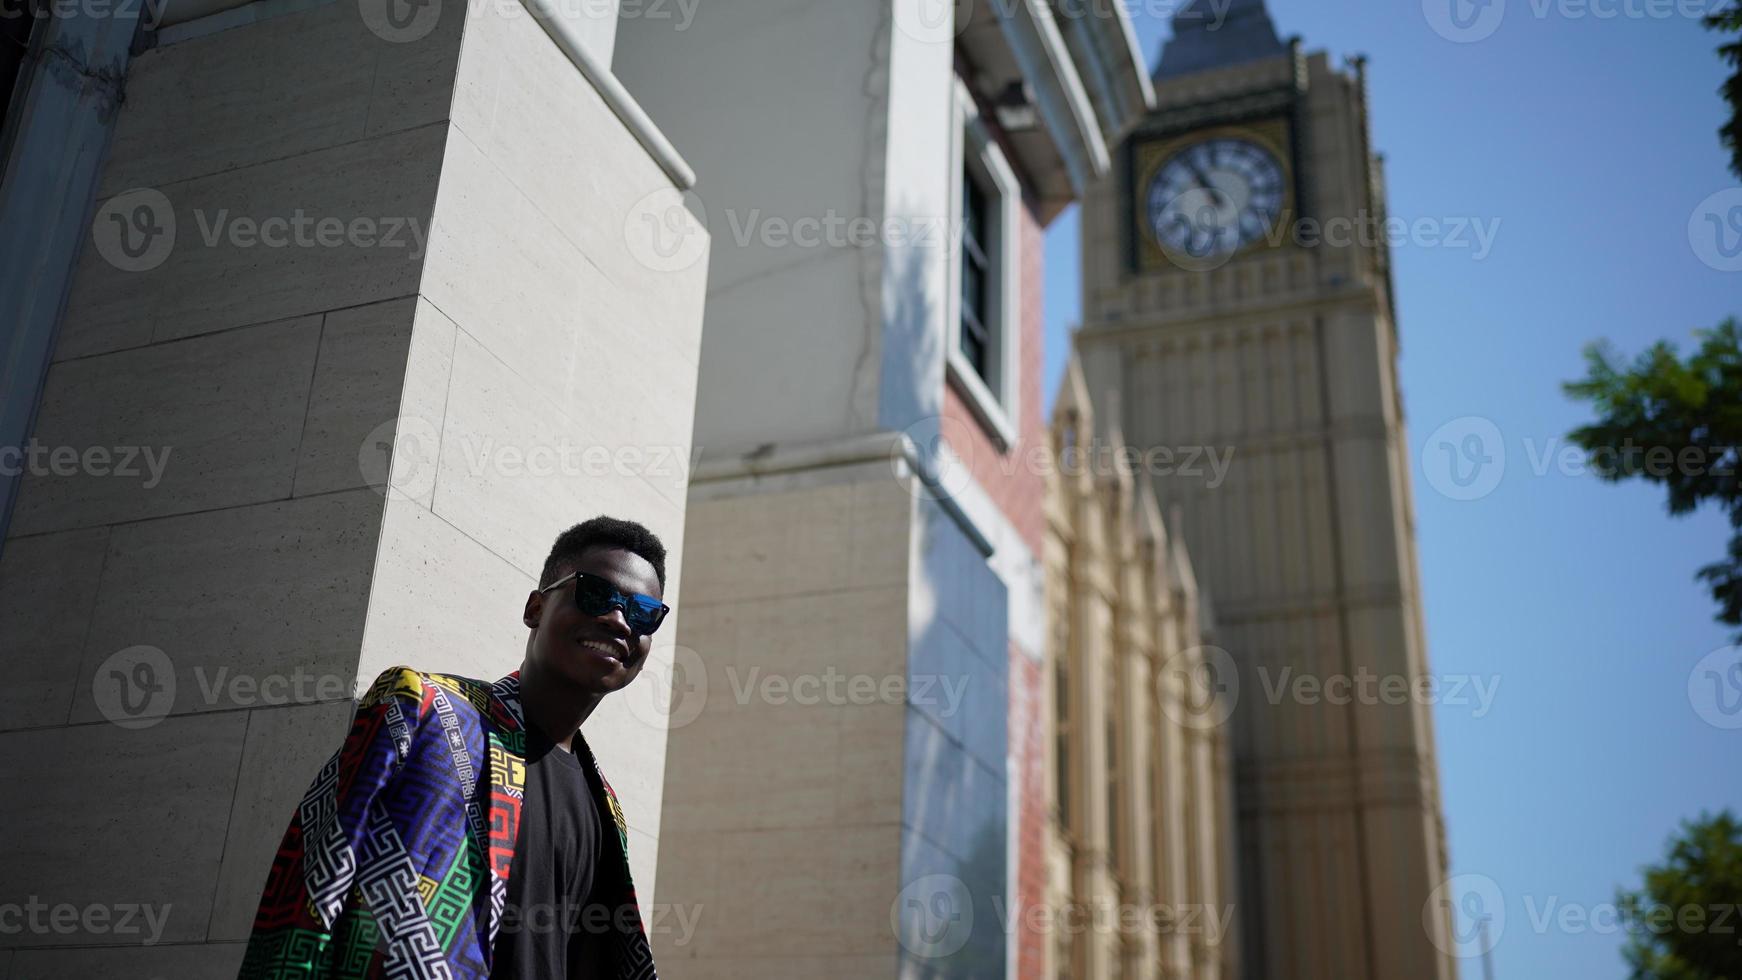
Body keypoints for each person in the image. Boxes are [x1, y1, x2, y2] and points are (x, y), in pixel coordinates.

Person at [239, 516, 671, 980]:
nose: (618, 620)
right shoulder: (423, 711)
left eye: (643, 612)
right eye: (595, 594)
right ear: (535, 608)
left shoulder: (606, 808)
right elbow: (313, 886)